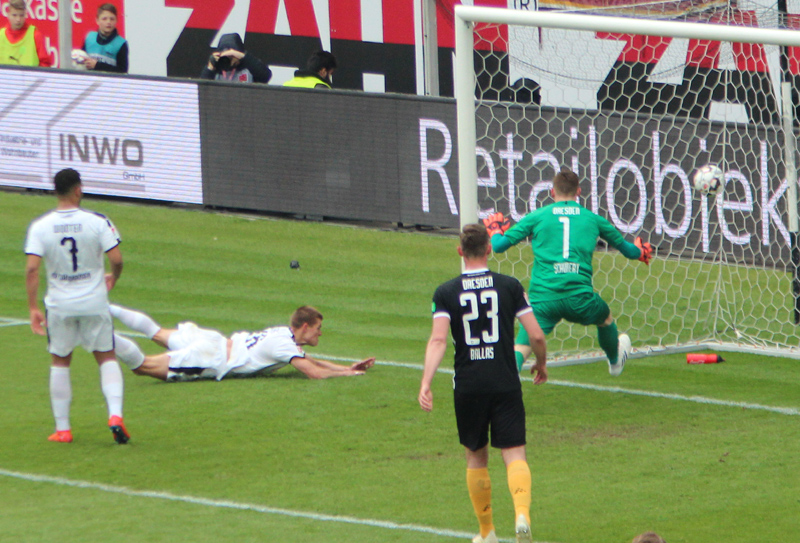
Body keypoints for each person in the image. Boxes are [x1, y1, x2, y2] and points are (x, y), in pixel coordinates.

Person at [418, 223, 548, 543]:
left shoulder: (446, 292)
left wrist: (426, 382)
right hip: (504, 381)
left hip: (468, 384)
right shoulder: (509, 286)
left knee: (476, 456)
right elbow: (536, 335)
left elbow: (438, 341)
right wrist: (540, 364)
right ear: (489, 249)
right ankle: (521, 514)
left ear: (460, 251)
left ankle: (487, 532)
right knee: (514, 453)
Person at [484, 166, 653, 376]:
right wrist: (641, 251)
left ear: (552, 192)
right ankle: (615, 361)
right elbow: (628, 250)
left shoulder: (537, 216)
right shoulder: (593, 219)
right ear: (579, 192)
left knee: (522, 346)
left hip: (543, 299)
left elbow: (498, 246)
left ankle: (505, 383)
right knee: (606, 319)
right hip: (579, 298)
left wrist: (494, 231)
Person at [25, 168, 128, 444]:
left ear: (55, 191)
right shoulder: (97, 221)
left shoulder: (40, 226)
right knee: (106, 356)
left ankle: (63, 430)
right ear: (78, 189)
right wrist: (112, 278)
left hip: (59, 305)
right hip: (94, 302)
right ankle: (115, 416)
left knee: (60, 361)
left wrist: (33, 307)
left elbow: (32, 269)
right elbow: (116, 259)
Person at [109, 304, 374, 381]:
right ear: (304, 327)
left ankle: (103, 305)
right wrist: (351, 377)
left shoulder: (283, 335)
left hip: (213, 341)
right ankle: (96, 332)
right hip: (211, 358)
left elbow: (312, 361)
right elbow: (313, 372)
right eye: (318, 329)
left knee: (156, 332)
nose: (320, 334)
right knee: (141, 366)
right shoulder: (284, 346)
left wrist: (348, 368)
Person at [200, 33, 271, 84]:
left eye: (232, 56)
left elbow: (265, 76)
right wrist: (210, 68)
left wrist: (243, 56)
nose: (228, 59)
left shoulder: (248, 67)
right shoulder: (216, 68)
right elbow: (202, 89)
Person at [0, 0, 52, 67]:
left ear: (25, 14)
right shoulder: (1, 36)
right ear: (8, 15)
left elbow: (45, 64)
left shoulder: (35, 35)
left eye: (21, 15)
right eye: (14, 15)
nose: (18, 19)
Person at [79, 3, 128, 73]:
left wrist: (97, 65)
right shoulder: (89, 37)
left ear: (116, 21)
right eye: (104, 19)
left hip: (109, 83)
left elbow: (122, 70)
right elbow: (82, 59)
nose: (108, 22)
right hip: (89, 81)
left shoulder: (121, 44)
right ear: (97, 20)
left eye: (112, 19)